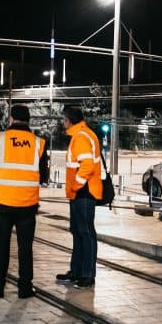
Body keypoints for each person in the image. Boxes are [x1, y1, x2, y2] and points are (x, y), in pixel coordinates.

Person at [0, 104, 49, 299]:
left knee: (1, 246)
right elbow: (43, 176)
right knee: (25, 249)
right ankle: (25, 288)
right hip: (27, 204)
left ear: (10, 119)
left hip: (3, 202)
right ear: (29, 121)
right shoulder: (38, 143)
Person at [56, 106, 102, 288]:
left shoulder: (82, 137)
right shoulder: (81, 134)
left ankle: (87, 274)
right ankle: (76, 271)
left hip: (84, 193)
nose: (62, 122)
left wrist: (75, 184)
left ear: (69, 121)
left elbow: (87, 165)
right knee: (78, 232)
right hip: (80, 193)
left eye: (63, 119)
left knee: (85, 233)